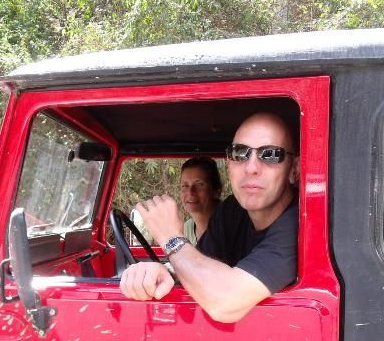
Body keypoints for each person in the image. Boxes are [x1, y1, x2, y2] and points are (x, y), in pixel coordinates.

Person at [119, 112, 299, 323]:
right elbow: (197, 263)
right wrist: (161, 271)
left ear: (294, 170)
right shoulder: (232, 210)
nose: (251, 168)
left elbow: (225, 302)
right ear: (229, 165)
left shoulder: (302, 224)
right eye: (239, 153)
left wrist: (171, 238)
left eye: (270, 155)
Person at [180, 157, 222, 245]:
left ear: (216, 191)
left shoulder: (231, 225)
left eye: (199, 185)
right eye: (185, 186)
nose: (190, 192)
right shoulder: (186, 229)